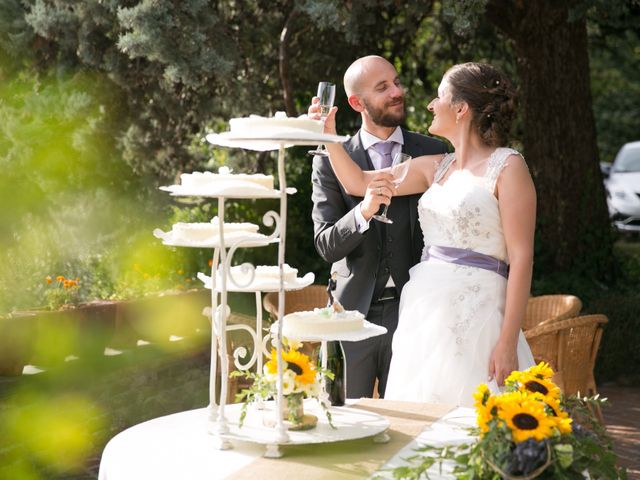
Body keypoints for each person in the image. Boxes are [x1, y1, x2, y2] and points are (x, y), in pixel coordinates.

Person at [320, 62, 535, 406]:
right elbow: (358, 183)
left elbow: (522, 258)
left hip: (478, 313)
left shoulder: (509, 167)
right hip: (424, 313)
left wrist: (507, 341)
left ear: (461, 109)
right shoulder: (436, 166)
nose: (430, 105)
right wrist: (328, 135)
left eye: (439, 97)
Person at [309, 55, 448, 399]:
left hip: (413, 311)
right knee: (344, 420)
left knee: (408, 421)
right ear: (357, 102)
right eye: (383, 87)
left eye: (396, 82)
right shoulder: (330, 159)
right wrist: (363, 213)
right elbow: (326, 244)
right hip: (351, 315)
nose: (397, 92)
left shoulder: (433, 151)